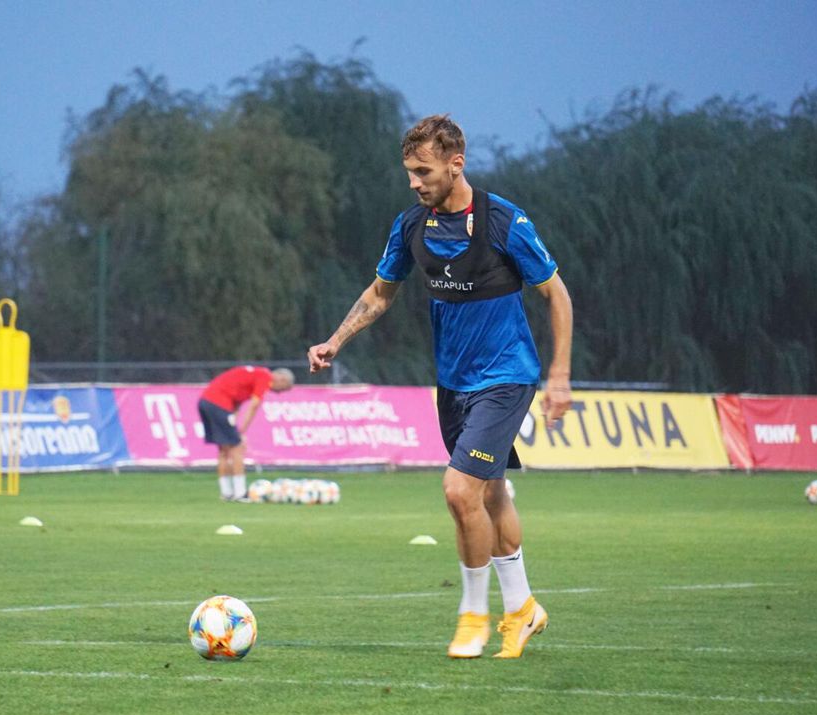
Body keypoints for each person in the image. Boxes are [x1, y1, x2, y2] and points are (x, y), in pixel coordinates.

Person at [307, 114, 573, 659]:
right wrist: (337, 340)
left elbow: (558, 296)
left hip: (506, 377)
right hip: (452, 385)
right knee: (490, 494)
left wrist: (560, 377)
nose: (414, 182)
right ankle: (522, 609)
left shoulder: (504, 221)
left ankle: (472, 616)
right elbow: (382, 292)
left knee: (458, 491)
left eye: (423, 171)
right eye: (409, 172)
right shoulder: (411, 227)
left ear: (457, 165)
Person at [198, 366, 295, 502]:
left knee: (224, 450)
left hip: (205, 401)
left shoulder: (254, 375)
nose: (279, 393)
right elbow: (255, 404)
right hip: (218, 403)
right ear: (282, 379)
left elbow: (236, 403)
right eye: (283, 388)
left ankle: (226, 493)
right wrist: (242, 430)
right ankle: (240, 493)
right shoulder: (265, 377)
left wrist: (235, 424)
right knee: (237, 447)